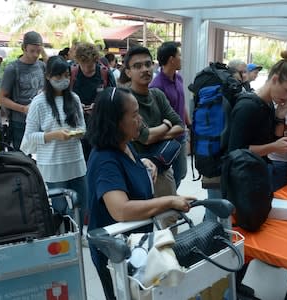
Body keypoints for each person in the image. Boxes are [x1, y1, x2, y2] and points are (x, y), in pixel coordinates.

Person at [86, 87, 194, 300]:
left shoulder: (125, 146)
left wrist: (145, 164)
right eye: (134, 115)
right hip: (116, 253)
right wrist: (169, 200)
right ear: (115, 121)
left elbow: (128, 172)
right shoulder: (105, 159)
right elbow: (121, 210)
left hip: (137, 244)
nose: (141, 120)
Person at [20, 55, 87, 233]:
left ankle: (80, 235)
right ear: (48, 76)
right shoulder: (38, 102)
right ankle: (67, 238)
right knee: (60, 208)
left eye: (66, 75)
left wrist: (77, 133)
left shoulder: (74, 98)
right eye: (58, 76)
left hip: (76, 161)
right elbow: (30, 136)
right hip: (52, 165)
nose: (63, 80)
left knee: (81, 204)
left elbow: (82, 127)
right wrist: (53, 135)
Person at [228, 51, 287, 189]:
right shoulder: (247, 106)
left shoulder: (268, 103)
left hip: (258, 172)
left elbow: (272, 139)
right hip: (242, 179)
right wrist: (273, 147)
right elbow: (236, 151)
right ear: (275, 80)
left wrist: (279, 117)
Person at [125, 46, 184, 197]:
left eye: (148, 64)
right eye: (137, 66)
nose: (145, 69)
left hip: (162, 166)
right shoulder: (125, 99)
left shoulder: (157, 95)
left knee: (168, 217)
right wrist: (166, 125)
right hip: (137, 168)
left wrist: (154, 136)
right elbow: (146, 137)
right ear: (128, 72)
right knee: (144, 218)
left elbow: (180, 126)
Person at [149, 41, 189, 189]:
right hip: (166, 138)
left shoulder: (178, 78)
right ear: (171, 59)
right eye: (179, 55)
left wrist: (189, 123)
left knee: (181, 172)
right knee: (164, 174)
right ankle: (168, 199)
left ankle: (171, 196)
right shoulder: (156, 85)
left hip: (181, 135)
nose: (181, 59)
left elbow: (182, 102)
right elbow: (155, 117)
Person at [0, 31, 46, 150]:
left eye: (38, 51)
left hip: (41, 121)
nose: (36, 55)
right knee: (22, 157)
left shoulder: (41, 66)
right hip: (20, 122)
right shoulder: (13, 68)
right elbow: (1, 98)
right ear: (24, 48)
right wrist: (23, 109)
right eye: (32, 51)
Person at [70, 42, 116, 161]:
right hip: (76, 126)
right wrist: (75, 105)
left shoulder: (105, 73)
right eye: (83, 65)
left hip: (100, 126)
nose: (86, 69)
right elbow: (63, 98)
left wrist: (100, 106)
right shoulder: (72, 73)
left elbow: (114, 97)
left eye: (90, 66)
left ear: (96, 61)